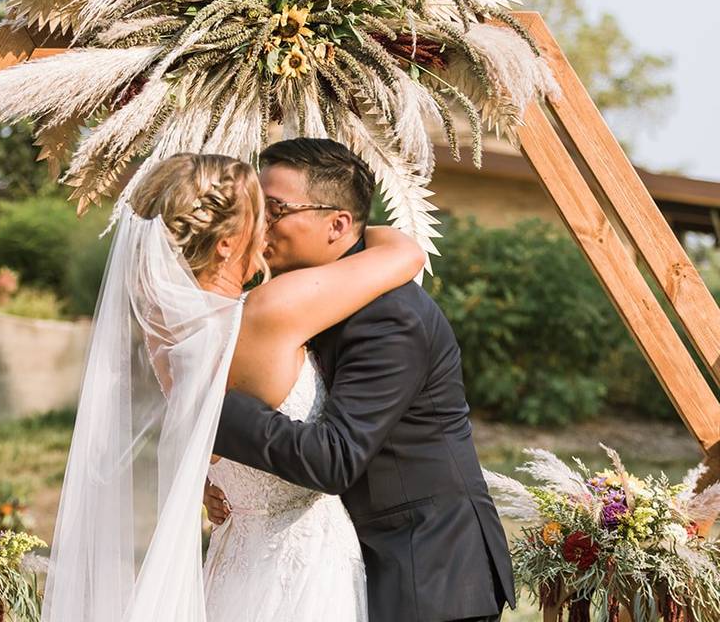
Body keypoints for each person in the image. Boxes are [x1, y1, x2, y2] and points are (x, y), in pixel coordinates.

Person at [41, 151, 425, 622]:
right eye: (260, 215)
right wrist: (361, 224)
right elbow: (405, 254)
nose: (267, 231)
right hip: (306, 565)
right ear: (225, 245)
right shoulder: (269, 312)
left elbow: (200, 440)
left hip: (229, 563)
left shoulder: (164, 340)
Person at [206, 138, 516, 622]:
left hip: (423, 569)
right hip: (332, 565)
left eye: (276, 209)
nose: (257, 224)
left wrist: (205, 410)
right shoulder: (316, 297)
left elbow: (335, 459)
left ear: (338, 224)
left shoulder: (388, 315)